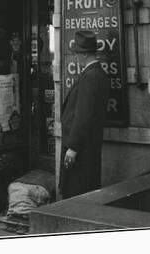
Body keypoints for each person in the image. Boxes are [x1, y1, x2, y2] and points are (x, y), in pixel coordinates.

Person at [59, 30, 110, 199]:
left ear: (83, 55)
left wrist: (73, 148)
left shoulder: (90, 76)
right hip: (89, 146)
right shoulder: (99, 74)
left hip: (81, 150)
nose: (75, 58)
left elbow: (83, 115)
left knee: (76, 193)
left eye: (77, 54)